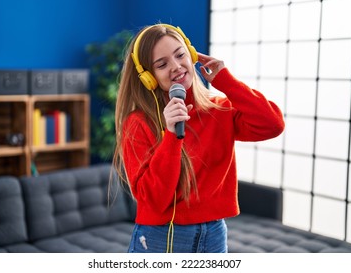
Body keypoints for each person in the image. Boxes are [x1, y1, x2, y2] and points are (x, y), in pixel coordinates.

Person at [112, 23, 285, 253]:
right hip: (159, 238)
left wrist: (225, 81)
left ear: (192, 54)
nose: (176, 67)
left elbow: (272, 124)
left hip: (214, 235)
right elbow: (152, 200)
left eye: (180, 54)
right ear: (147, 77)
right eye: (162, 64)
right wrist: (171, 136)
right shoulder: (138, 123)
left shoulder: (220, 109)